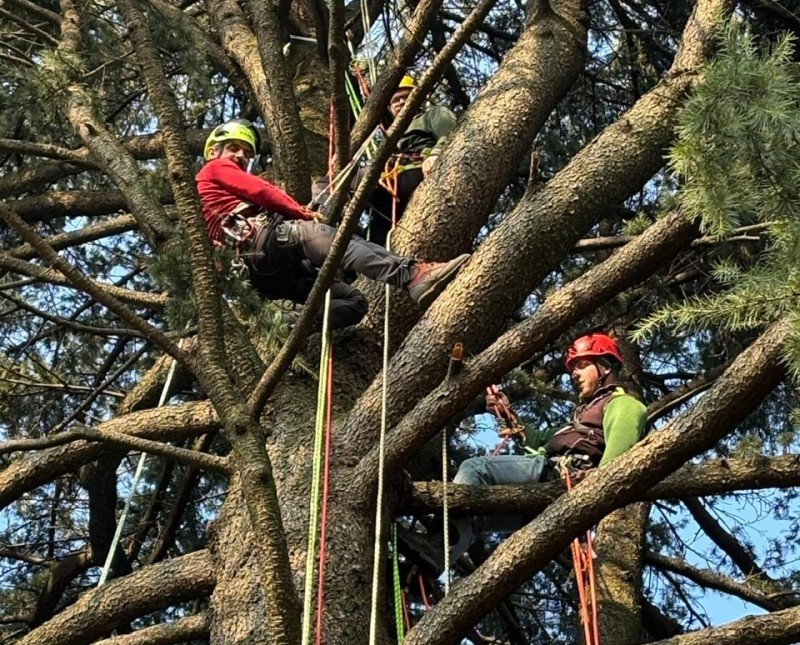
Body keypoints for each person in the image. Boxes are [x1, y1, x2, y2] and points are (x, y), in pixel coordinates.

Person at [399, 333, 648, 576]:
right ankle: (423, 568)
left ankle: (433, 546)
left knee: (476, 470)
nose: (574, 374)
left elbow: (616, 462)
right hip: (552, 489)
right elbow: (538, 440)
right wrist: (508, 414)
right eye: (573, 368)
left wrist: (590, 498)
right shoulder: (578, 421)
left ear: (604, 367)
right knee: (476, 519)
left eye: (582, 365)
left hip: (561, 478)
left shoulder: (623, 405)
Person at [195, 118, 470, 330]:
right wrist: (302, 214)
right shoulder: (214, 170)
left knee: (355, 302)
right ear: (213, 152)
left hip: (264, 276)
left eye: (246, 152)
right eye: (233, 148)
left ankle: (288, 324)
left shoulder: (207, 201)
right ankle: (413, 275)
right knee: (341, 243)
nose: (240, 156)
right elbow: (263, 192)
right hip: (267, 241)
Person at [312, 75, 458, 246]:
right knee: (374, 237)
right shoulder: (391, 135)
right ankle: (339, 234)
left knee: (336, 180)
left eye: (407, 96)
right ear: (390, 108)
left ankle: (331, 219)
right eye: (396, 100)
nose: (402, 102)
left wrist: (435, 155)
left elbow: (452, 133)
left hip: (415, 171)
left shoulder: (432, 114)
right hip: (391, 186)